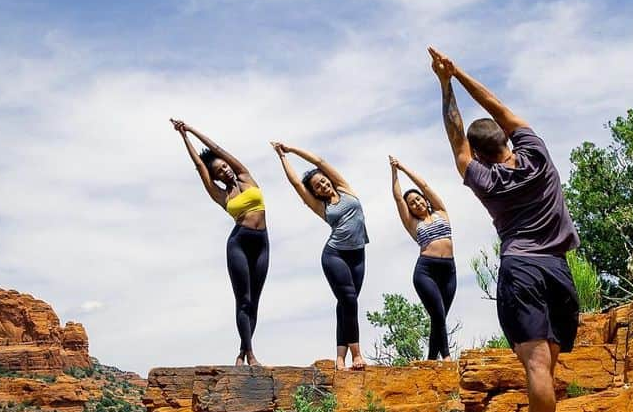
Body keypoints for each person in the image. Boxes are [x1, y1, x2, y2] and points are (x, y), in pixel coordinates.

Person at [427, 48, 579, 412]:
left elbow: (456, 142)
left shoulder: (486, 180)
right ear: (507, 141)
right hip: (559, 271)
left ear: (479, 152)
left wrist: (444, 85)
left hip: (523, 271)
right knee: (545, 370)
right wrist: (461, 74)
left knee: (535, 369)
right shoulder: (538, 156)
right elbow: (498, 106)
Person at [171, 119, 268, 367]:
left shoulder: (246, 177)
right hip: (239, 243)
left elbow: (218, 148)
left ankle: (241, 352)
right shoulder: (220, 194)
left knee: (255, 301)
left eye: (223, 167)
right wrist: (184, 139)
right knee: (243, 300)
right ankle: (251, 354)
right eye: (217, 171)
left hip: (262, 243)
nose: (223, 170)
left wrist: (192, 129)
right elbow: (199, 167)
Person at [272, 142, 368, 370]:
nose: (323, 185)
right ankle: (357, 354)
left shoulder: (345, 188)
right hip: (335, 255)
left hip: (358, 254)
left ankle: (339, 357)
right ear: (315, 192)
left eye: (323, 180)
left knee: (345, 305)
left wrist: (291, 150)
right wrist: (282, 158)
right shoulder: (320, 206)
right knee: (349, 300)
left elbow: (319, 162)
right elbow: (296, 183)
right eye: (317, 186)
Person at [389, 155, 455, 361]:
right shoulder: (413, 225)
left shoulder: (441, 212)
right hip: (426, 271)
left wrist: (404, 167)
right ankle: (446, 358)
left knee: (440, 317)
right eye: (412, 204)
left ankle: (430, 360)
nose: (416, 203)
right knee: (437, 314)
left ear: (425, 201)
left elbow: (424, 185)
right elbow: (399, 199)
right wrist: (394, 172)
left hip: (449, 271)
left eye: (418, 199)